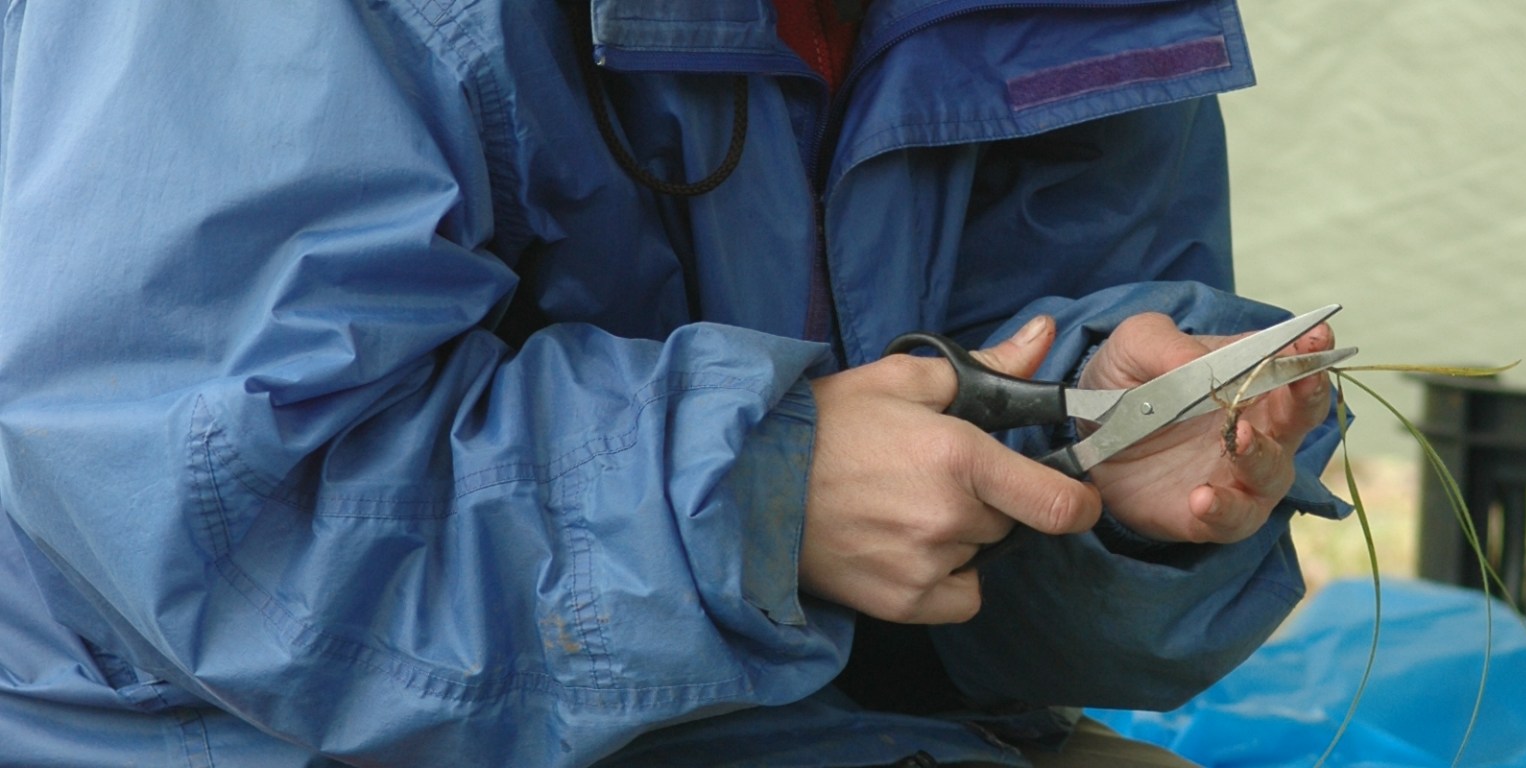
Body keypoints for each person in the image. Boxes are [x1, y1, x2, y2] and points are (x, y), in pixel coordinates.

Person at [0, 1, 1346, 765]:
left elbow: (971, 607)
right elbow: (205, 487)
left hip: (764, 720)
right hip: (226, 725)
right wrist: (758, 497)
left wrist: (1095, 466)